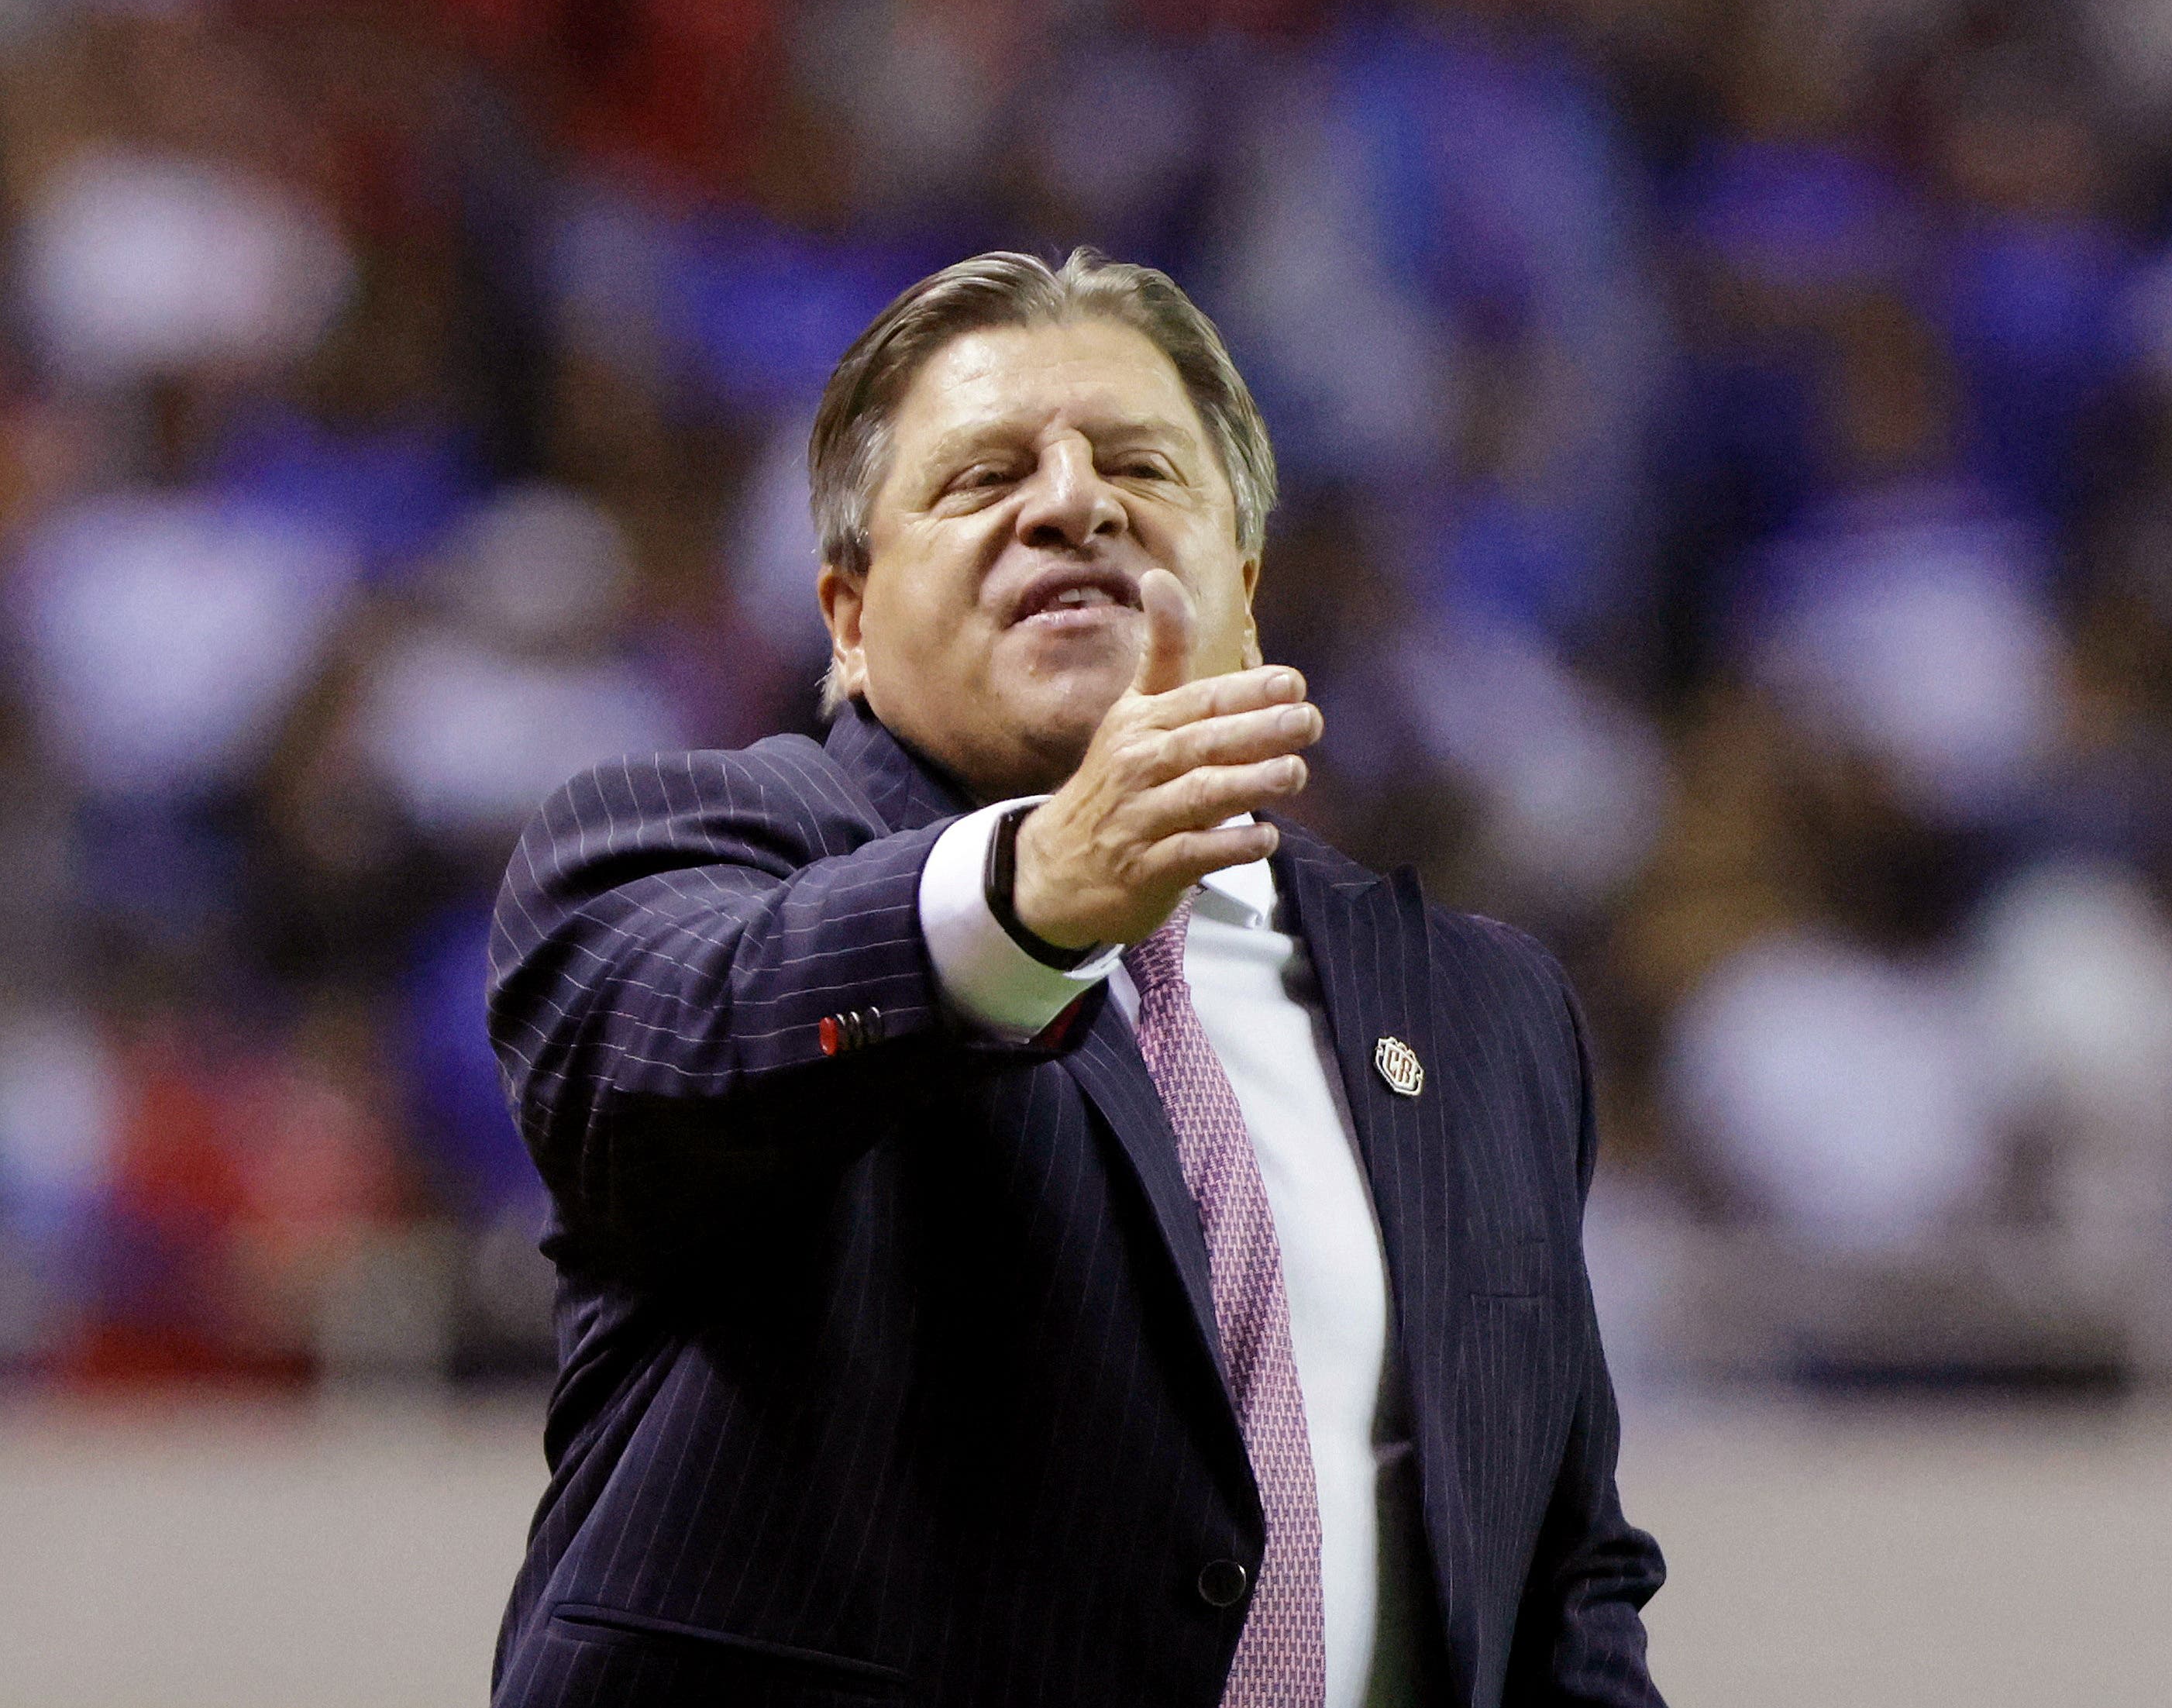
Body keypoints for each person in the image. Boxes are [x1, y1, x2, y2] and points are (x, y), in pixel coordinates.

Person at [486, 250, 1664, 1708]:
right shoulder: (681, 848)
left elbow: (1562, 1579)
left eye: (1137, 465)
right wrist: (1033, 900)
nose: (1072, 502)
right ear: (847, 619)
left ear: (1241, 586)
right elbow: (664, 1054)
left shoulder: (1483, 1013)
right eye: (984, 476)